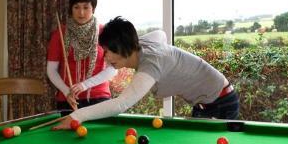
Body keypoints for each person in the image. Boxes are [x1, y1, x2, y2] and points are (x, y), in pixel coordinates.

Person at [54, 16, 239, 128]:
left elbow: (121, 104)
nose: (106, 57)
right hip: (207, 101)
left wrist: (77, 116)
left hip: (220, 102)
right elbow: (161, 34)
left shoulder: (150, 63)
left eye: (108, 51)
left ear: (122, 48)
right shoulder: (143, 44)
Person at [46, 0, 116, 111]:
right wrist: (66, 91)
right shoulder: (59, 34)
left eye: (86, 7)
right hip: (68, 98)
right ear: (71, 9)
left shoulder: (104, 32)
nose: (81, 12)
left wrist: (84, 85)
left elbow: (113, 69)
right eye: (76, 7)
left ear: (93, 8)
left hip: (99, 97)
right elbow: (51, 70)